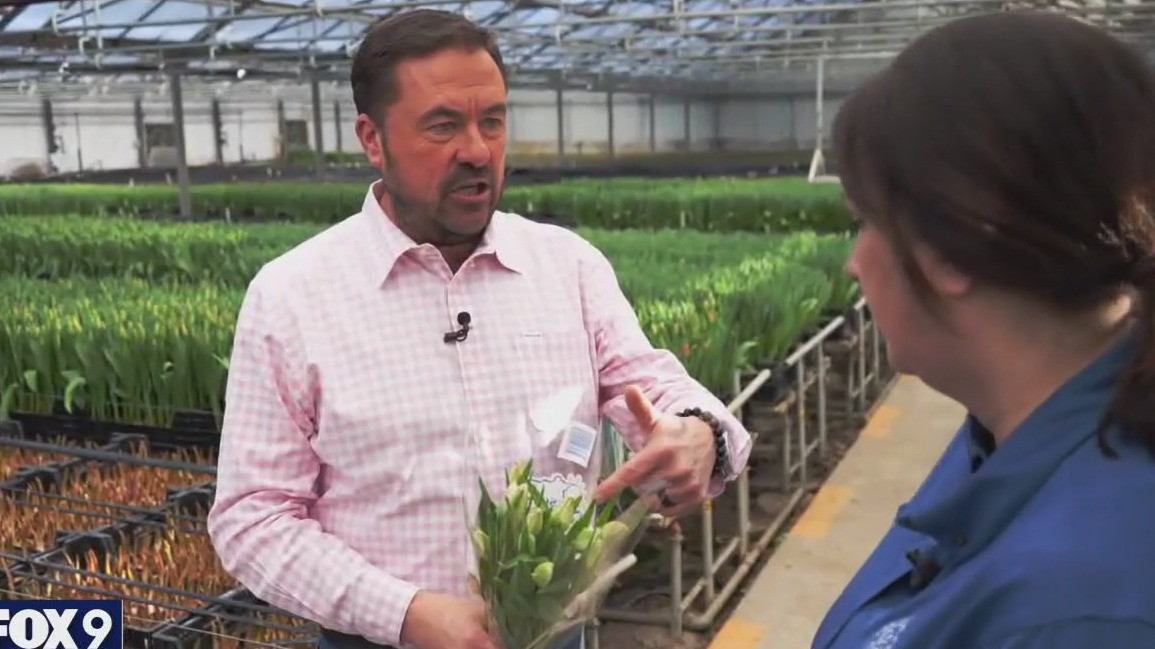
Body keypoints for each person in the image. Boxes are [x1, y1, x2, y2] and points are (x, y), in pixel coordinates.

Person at [205, 9, 752, 649]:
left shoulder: (566, 267)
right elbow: (253, 517)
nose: (477, 150)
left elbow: (653, 385)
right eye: (443, 125)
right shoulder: (292, 297)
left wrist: (698, 432)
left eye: (492, 120)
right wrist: (406, 612)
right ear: (373, 139)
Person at [813, 11, 1155, 649]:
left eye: (868, 221)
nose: (855, 263)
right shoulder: (1009, 432)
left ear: (955, 250)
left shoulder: (1082, 612)